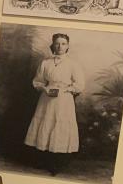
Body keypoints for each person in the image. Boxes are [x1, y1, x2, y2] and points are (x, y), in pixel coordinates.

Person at [24, 33, 83, 175]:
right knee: (46, 125)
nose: (60, 46)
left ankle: (56, 164)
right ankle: (44, 160)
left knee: (59, 126)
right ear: (53, 45)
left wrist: (67, 89)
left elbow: (80, 84)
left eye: (63, 44)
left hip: (63, 100)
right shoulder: (45, 63)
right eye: (57, 43)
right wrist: (44, 88)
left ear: (67, 46)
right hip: (46, 99)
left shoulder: (72, 64)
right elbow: (37, 81)